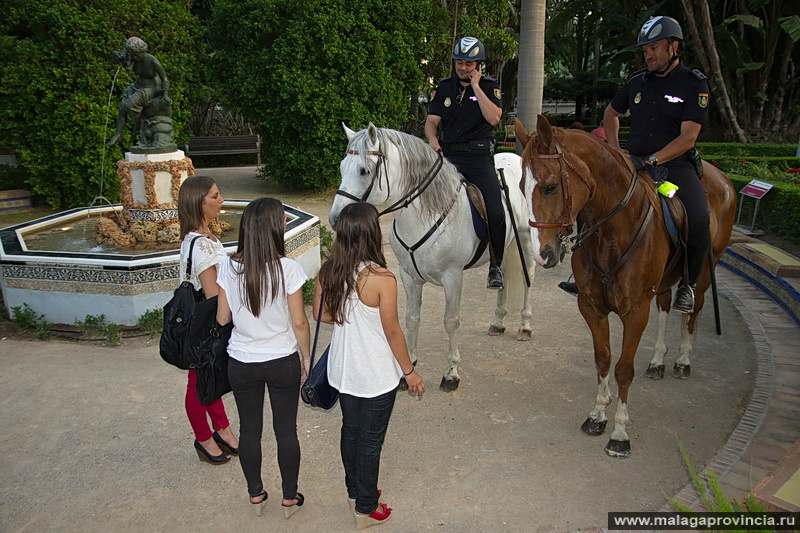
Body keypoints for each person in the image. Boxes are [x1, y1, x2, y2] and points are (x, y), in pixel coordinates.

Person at [313, 202, 425, 530]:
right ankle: (366, 507)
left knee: (351, 430)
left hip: (343, 369)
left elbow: (322, 316)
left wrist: (345, 311)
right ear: (371, 233)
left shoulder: (328, 270)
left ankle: (354, 493)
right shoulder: (381, 278)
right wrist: (409, 371)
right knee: (370, 440)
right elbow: (392, 330)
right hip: (375, 373)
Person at [603, 15, 711, 313]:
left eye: (654, 48)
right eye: (645, 50)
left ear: (673, 46)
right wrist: (615, 152)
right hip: (633, 166)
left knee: (699, 219)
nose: (648, 54)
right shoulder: (637, 82)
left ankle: (687, 284)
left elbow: (688, 138)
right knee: (593, 204)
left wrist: (653, 159)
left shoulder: (694, 84)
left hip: (673, 169)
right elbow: (610, 114)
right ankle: (587, 273)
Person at [216, 197, 310, 519]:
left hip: (241, 362)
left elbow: (223, 319)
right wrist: (306, 358)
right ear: (273, 227)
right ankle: (288, 498)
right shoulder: (288, 268)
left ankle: (256, 495)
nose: (285, 223)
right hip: (281, 360)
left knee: (249, 431)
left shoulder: (228, 267)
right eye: (282, 220)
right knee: (286, 431)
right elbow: (299, 322)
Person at [425, 36, 506, 290]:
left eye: (469, 63)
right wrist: (432, 141)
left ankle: (496, 266)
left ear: (478, 65)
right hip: (448, 158)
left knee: (495, 209)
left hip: (478, 159)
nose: (463, 67)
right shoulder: (444, 88)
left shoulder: (490, 87)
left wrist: (477, 87)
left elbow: (493, 118)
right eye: (460, 62)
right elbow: (431, 122)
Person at [177, 176, 239, 464]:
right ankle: (203, 438)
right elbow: (214, 292)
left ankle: (222, 430)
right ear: (198, 203)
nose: (221, 200)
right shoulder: (201, 244)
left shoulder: (205, 238)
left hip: (206, 320)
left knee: (208, 376)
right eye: (215, 196)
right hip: (206, 321)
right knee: (198, 381)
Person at [108, 36, 172, 148]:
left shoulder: (152, 61)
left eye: (137, 54)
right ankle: (118, 134)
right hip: (137, 85)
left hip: (151, 88)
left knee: (130, 104)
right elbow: (116, 56)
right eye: (133, 55)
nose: (135, 58)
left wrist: (165, 95)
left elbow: (165, 79)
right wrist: (118, 56)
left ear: (143, 51)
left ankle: (139, 126)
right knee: (123, 106)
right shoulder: (131, 56)